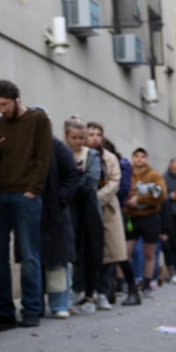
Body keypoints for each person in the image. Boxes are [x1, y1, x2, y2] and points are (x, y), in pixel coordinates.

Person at [0, 80, 52, 328]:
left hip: (25, 195)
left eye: (4, 104)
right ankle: (5, 311)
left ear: (16, 98)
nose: (2, 110)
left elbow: (44, 157)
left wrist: (34, 190)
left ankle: (32, 308)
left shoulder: (38, 120)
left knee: (29, 255)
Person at [85, 123, 140, 305]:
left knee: (118, 253)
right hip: (86, 208)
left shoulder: (109, 158)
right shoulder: (80, 154)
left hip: (108, 208)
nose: (94, 138)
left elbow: (115, 182)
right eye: (91, 134)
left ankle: (133, 290)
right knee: (94, 254)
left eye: (98, 134)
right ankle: (100, 292)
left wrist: (95, 199)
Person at [63, 116, 105, 312]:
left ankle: (90, 295)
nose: (78, 142)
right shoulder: (62, 154)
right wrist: (76, 176)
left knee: (91, 250)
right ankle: (71, 294)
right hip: (68, 209)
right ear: (67, 137)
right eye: (74, 138)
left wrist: (74, 178)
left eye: (82, 138)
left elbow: (91, 183)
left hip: (89, 210)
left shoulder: (93, 156)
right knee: (71, 251)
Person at [40, 134, 80, 318]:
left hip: (54, 211)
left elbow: (72, 176)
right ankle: (36, 303)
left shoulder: (58, 147)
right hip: (36, 209)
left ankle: (59, 304)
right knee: (35, 259)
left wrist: (60, 200)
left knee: (57, 261)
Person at [123, 148, 167, 297]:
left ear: (146, 159)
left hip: (150, 216)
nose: (139, 159)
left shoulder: (154, 175)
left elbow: (161, 195)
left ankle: (147, 283)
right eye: (136, 156)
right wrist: (130, 202)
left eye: (142, 156)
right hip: (131, 217)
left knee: (149, 252)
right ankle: (122, 282)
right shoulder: (127, 174)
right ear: (133, 158)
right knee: (124, 252)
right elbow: (123, 191)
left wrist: (140, 199)